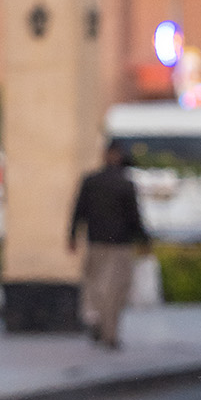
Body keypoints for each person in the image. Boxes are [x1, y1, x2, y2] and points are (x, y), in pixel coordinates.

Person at [68, 142, 149, 349]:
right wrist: (144, 240)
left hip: (96, 241)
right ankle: (109, 332)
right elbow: (135, 217)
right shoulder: (125, 184)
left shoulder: (91, 181)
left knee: (95, 285)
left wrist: (72, 236)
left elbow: (78, 210)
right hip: (120, 244)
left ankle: (96, 320)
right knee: (117, 289)